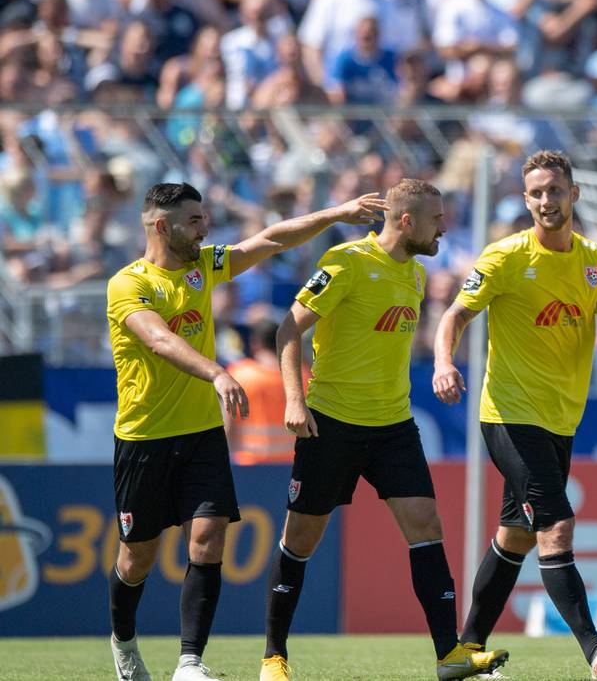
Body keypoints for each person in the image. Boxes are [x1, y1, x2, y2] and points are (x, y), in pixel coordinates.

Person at [105, 182, 384, 681]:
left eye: (205, 218)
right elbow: (158, 338)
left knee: (209, 539)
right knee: (136, 560)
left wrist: (338, 212)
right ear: (161, 226)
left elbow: (272, 240)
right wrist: (215, 371)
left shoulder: (204, 266)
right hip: (144, 438)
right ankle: (123, 641)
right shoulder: (129, 284)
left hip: (202, 434)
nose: (204, 229)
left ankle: (189, 662)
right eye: (194, 221)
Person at [261, 179, 507, 681]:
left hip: (393, 425)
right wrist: (294, 399)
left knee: (426, 527)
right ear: (406, 221)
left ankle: (449, 655)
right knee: (301, 539)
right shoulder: (346, 263)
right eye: (436, 218)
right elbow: (288, 328)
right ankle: (273, 657)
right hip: (330, 423)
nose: (445, 226)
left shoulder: (415, 275)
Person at [431, 150, 597, 679]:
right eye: (537, 193)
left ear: (574, 194)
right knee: (557, 525)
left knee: (515, 536)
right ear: (526, 200)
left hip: (560, 419)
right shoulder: (504, 258)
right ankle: (596, 650)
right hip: (508, 414)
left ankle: (466, 650)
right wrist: (443, 361)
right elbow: (454, 315)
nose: (547, 200)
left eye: (555, 190)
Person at [225, 319, 303, 465]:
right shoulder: (302, 375)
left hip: (247, 463)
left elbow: (228, 425)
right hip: (291, 463)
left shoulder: (239, 375)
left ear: (256, 343)